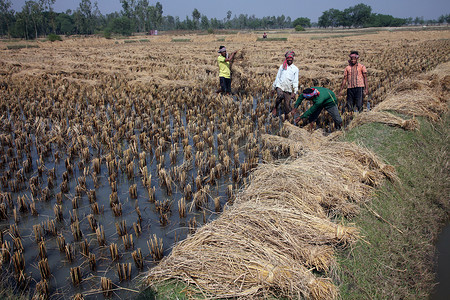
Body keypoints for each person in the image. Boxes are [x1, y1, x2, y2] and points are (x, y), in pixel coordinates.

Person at [271, 50, 299, 117]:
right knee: (280, 96)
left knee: (287, 106)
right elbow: (278, 77)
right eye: (288, 58)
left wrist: (295, 92)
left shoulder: (295, 69)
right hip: (280, 85)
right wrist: (273, 87)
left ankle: (286, 119)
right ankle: (275, 107)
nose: (289, 60)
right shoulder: (282, 67)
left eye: (291, 58)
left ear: (293, 59)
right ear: (286, 59)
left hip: (288, 88)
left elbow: (295, 81)